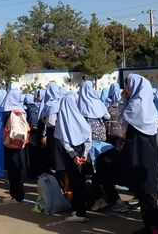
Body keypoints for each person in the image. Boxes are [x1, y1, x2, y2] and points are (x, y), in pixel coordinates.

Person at [119, 74, 158, 233]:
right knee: (148, 189)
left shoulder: (136, 104)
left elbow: (122, 120)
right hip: (148, 149)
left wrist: (123, 100)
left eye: (127, 85)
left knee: (144, 191)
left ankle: (151, 227)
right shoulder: (149, 104)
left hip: (138, 150)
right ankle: (152, 226)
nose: (126, 89)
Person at [55, 91, 92, 222]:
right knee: (80, 182)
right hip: (82, 153)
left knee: (75, 182)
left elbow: (64, 140)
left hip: (72, 155)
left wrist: (73, 156)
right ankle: (79, 210)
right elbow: (88, 137)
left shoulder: (63, 119)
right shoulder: (80, 117)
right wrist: (84, 154)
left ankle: (79, 212)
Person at [2, 89, 29, 203]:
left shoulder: (7, 110)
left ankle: (15, 195)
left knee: (12, 170)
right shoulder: (22, 110)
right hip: (21, 144)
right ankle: (20, 194)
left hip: (10, 144)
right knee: (20, 169)